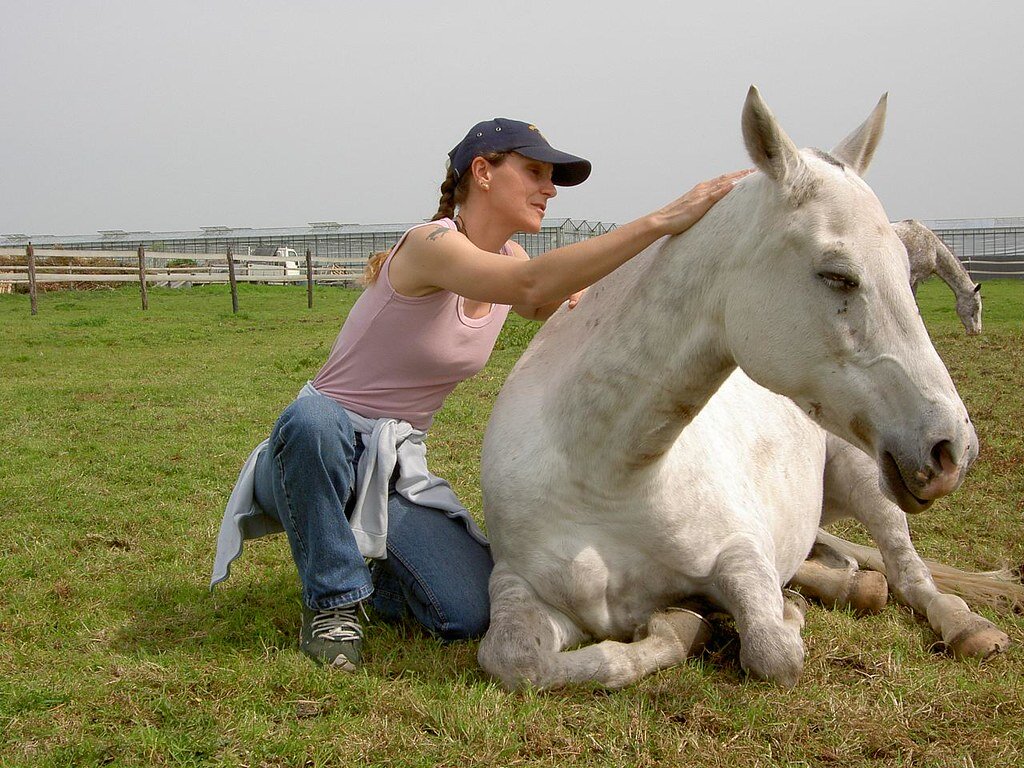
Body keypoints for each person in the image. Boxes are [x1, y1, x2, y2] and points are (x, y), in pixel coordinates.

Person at [210, 117, 749, 671]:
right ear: (484, 172)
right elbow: (533, 286)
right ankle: (334, 605)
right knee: (313, 419)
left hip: (393, 465)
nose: (550, 188)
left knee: (467, 612)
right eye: (535, 171)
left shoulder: (512, 260)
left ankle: (359, 562)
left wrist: (664, 263)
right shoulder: (430, 243)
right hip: (312, 452)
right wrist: (661, 220)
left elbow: (544, 295)